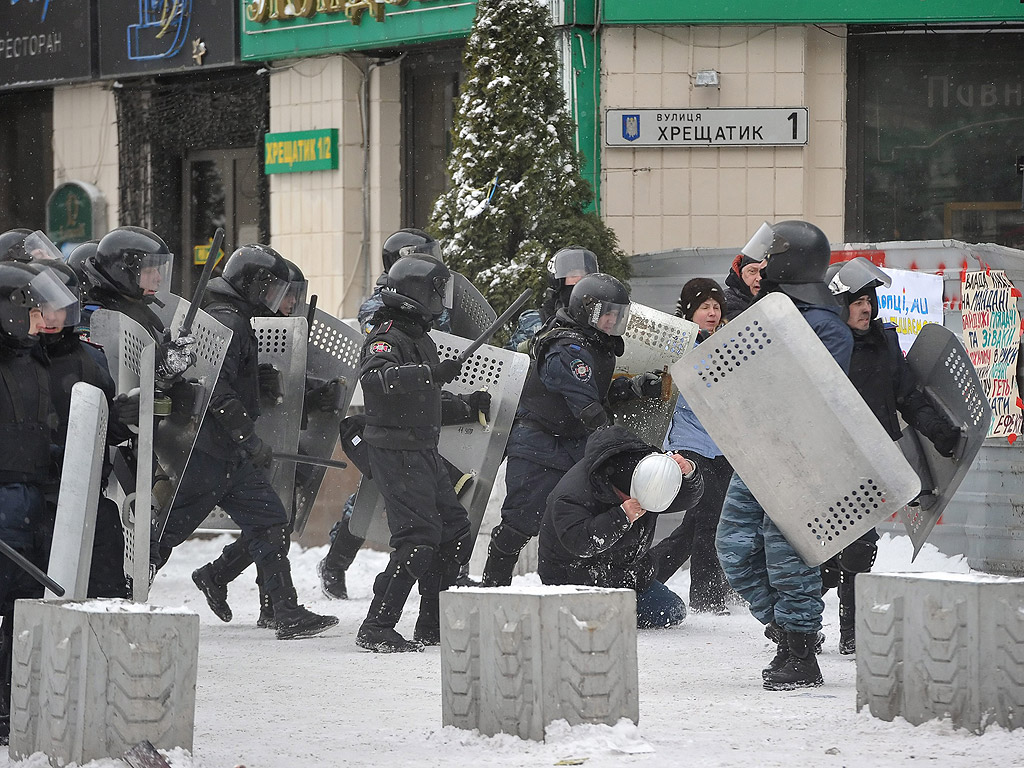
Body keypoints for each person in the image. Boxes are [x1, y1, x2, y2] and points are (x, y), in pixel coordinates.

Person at [154, 244, 338, 641]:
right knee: (166, 533)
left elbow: (230, 380)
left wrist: (257, 383)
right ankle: (120, 596)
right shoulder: (230, 321)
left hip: (224, 453)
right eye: (271, 290)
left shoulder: (234, 318)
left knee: (271, 519)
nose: (276, 301)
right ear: (251, 285)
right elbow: (215, 391)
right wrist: (248, 439)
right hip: (208, 452)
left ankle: (284, 611)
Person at [715, 220, 853, 691]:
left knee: (787, 551)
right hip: (757, 449)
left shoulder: (824, 324)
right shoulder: (770, 312)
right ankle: (784, 625)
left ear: (790, 262)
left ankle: (799, 648)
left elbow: (812, 397)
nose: (761, 266)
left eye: (770, 258)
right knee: (732, 545)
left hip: (800, 454)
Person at [480, 272, 665, 587]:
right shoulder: (567, 347)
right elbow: (587, 406)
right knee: (523, 520)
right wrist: (618, 446)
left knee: (580, 515)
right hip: (538, 444)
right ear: (586, 310)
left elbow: (596, 392)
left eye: (618, 315)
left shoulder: (596, 342)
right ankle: (492, 585)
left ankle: (582, 582)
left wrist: (632, 388)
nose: (612, 320)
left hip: (570, 443)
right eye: (607, 313)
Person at [823, 258, 961, 655]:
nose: (866, 308)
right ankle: (797, 626)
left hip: (875, 457)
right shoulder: (825, 344)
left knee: (860, 546)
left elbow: (906, 395)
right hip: (830, 458)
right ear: (840, 305)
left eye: (870, 300)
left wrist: (939, 433)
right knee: (824, 554)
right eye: (857, 301)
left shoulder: (885, 340)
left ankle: (851, 633)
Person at [354, 253, 489, 653]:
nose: (440, 300)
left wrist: (465, 403)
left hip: (421, 449)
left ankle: (432, 624)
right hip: (396, 452)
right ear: (416, 293)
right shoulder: (388, 335)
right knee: (418, 539)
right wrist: (429, 374)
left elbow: (421, 399)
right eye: (435, 292)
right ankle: (377, 626)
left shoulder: (419, 338)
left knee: (453, 532)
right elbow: (376, 380)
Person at [24, 258, 138, 599]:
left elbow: (103, 430)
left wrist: (124, 417)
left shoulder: (89, 359)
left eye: (62, 307)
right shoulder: (12, 358)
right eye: (43, 306)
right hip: (28, 499)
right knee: (26, 602)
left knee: (105, 597)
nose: (53, 317)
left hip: (84, 498)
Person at [0, 260, 73, 745]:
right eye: (32, 308)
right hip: (4, 497)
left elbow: (35, 428)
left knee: (21, 608)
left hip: (31, 498)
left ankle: (11, 705)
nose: (43, 317)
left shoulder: (34, 359)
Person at [538, 425, 703, 628]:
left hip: (626, 570)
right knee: (600, 622)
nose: (642, 507)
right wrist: (621, 516)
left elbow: (683, 500)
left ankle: (611, 613)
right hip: (575, 580)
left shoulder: (649, 472)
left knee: (672, 611)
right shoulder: (571, 496)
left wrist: (688, 474)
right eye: (635, 500)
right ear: (617, 489)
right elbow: (582, 543)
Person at [650, 278, 734, 613]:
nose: (712, 313)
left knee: (696, 525)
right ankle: (708, 597)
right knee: (709, 519)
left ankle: (644, 574)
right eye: (704, 307)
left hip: (722, 445)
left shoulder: (727, 343)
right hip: (690, 444)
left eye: (716, 306)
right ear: (689, 311)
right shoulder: (677, 346)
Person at [722, 224, 769, 320]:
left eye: (764, 272)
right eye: (752, 271)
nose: (759, 278)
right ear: (740, 273)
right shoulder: (727, 302)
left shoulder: (779, 300)